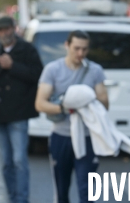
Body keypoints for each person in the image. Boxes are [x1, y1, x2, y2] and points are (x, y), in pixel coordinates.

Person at [35, 30, 108, 203]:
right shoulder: (53, 69)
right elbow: (40, 103)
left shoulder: (95, 70)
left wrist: (87, 101)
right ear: (66, 46)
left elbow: (104, 103)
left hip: (87, 137)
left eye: (84, 49)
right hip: (61, 136)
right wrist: (63, 107)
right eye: (76, 48)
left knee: (87, 190)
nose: (80, 53)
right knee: (61, 191)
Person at [0, 16, 43, 203]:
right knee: (6, 162)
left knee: (19, 160)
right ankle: (13, 197)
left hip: (19, 112)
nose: (4, 33)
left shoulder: (27, 49)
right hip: (0, 113)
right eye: (0, 30)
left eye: (7, 29)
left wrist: (13, 66)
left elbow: (37, 74)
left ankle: (22, 199)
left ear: (14, 29)